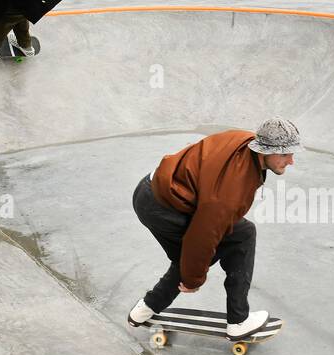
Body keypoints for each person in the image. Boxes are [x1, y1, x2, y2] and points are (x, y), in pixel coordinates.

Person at [128, 119, 300, 340]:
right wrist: (193, 279)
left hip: (154, 191)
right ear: (264, 150)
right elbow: (203, 235)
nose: (291, 161)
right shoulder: (231, 188)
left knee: (236, 236)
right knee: (202, 253)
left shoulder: (245, 141)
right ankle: (238, 321)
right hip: (163, 208)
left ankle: (146, 308)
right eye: (285, 154)